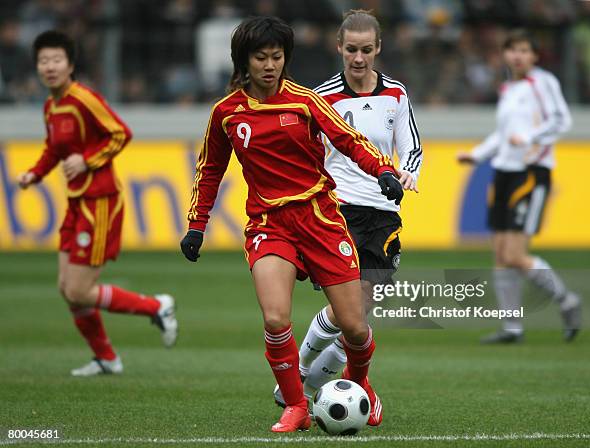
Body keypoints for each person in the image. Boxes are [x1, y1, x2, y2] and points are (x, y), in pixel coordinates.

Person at [180, 16, 404, 432]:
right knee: (275, 319)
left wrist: (383, 171)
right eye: (261, 57)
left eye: (277, 57)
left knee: (355, 327)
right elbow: (209, 169)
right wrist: (197, 224)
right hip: (269, 224)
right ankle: (297, 406)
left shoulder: (305, 101)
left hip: (319, 217)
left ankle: (358, 386)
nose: (270, 65)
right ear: (244, 61)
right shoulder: (226, 113)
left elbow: (348, 140)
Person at [273, 9, 422, 406]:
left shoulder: (396, 93)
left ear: (378, 49)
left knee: (358, 319)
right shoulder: (322, 97)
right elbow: (309, 153)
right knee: (349, 312)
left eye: (367, 50)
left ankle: (303, 386)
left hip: (383, 211)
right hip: (338, 210)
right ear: (339, 47)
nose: (359, 58)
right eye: (351, 50)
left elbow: (411, 146)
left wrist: (407, 172)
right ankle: (303, 372)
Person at [18, 30, 178, 376]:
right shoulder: (51, 106)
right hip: (77, 202)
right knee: (68, 290)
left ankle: (156, 306)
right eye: (43, 61)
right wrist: (35, 174)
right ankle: (106, 358)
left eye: (56, 59)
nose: (49, 67)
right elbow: (54, 150)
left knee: (79, 289)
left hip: (100, 201)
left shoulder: (83, 99)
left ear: (71, 64)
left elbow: (120, 133)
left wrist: (88, 161)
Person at [456, 29, 581, 344]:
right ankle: (512, 327)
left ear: (535, 56)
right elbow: (503, 134)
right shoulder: (509, 88)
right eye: (512, 50)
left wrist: (530, 140)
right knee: (499, 253)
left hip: (530, 172)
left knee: (513, 254)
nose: (518, 56)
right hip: (505, 172)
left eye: (524, 50)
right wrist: (477, 155)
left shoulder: (543, 83)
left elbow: (561, 120)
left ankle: (567, 300)